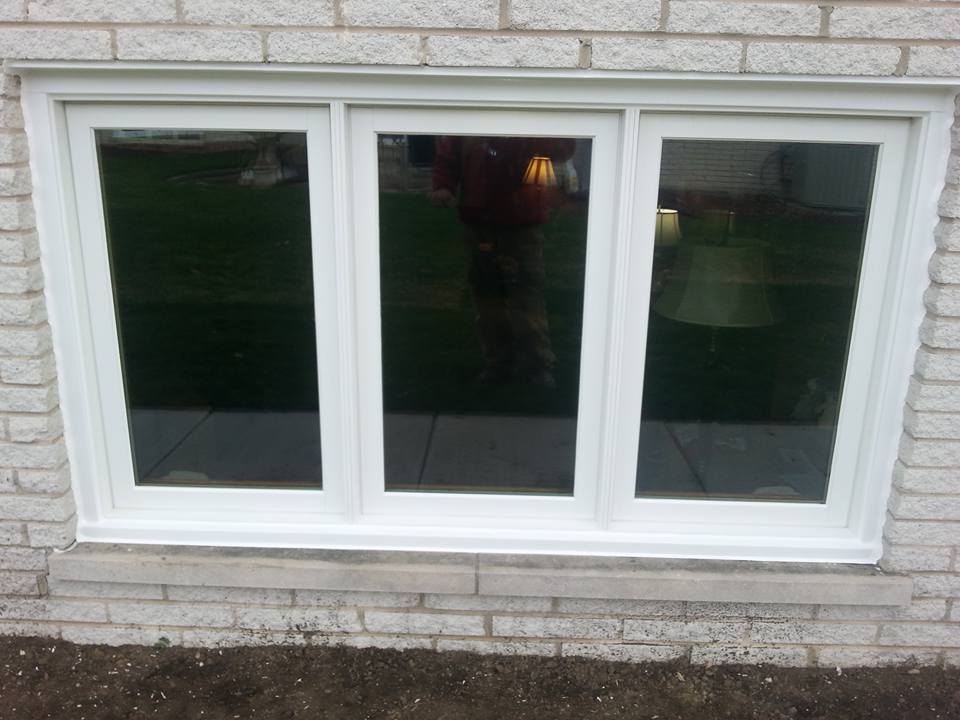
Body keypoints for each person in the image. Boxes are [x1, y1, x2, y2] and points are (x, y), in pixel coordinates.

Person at [430, 136, 575, 388]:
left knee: (526, 297)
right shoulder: (465, 125)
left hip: (522, 225)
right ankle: (498, 363)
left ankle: (538, 366)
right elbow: (448, 157)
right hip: (478, 225)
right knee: (487, 299)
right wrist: (443, 185)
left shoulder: (531, 120)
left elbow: (563, 146)